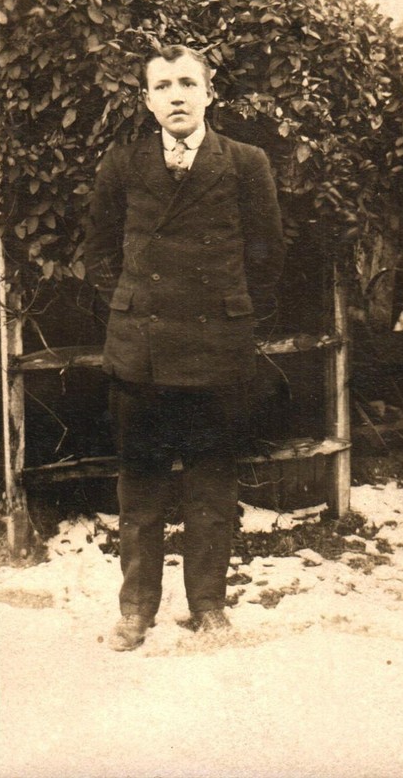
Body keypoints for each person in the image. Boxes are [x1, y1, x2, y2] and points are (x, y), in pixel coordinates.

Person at [85, 45, 285, 651]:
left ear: (209, 94)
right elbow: (99, 253)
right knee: (140, 486)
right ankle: (136, 610)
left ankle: (208, 607)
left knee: (211, 485)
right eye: (163, 85)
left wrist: (232, 314)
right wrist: (131, 307)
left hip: (216, 347)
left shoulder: (245, 162)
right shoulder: (122, 163)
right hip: (140, 349)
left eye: (188, 83)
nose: (176, 95)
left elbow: (268, 254)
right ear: (146, 100)